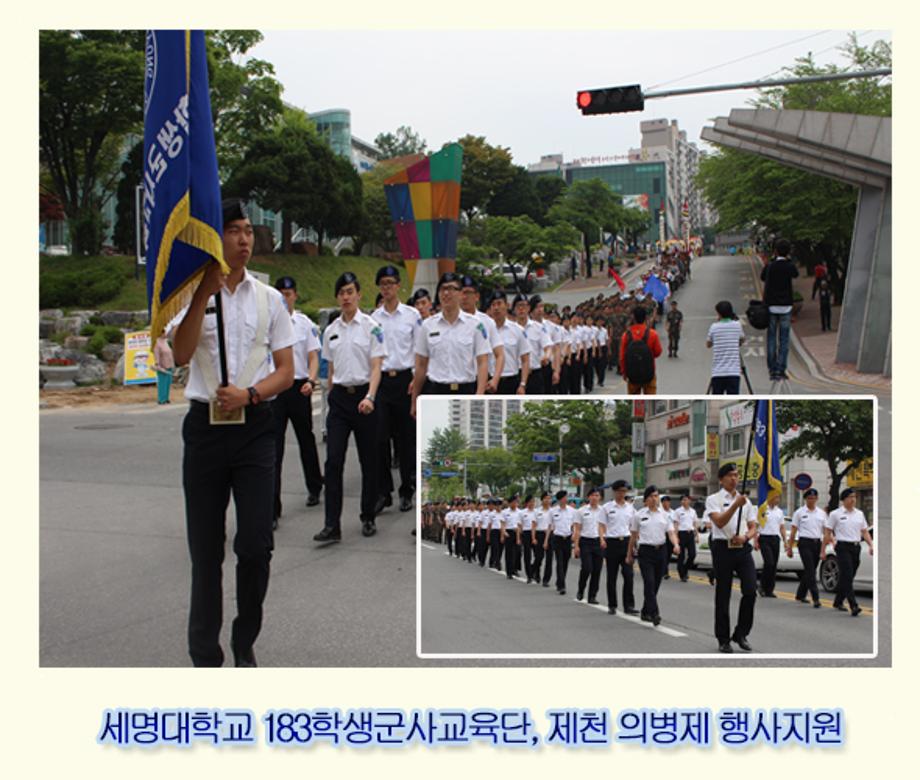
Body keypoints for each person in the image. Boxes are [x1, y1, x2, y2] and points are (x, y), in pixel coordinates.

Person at [170, 197, 295, 667]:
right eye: (234, 230)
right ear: (213, 237)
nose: (244, 239)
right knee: (205, 549)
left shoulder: (269, 300)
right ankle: (205, 653)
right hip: (204, 430)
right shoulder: (189, 294)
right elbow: (181, 356)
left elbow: (286, 370)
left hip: (255, 427)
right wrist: (203, 293)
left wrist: (252, 395)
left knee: (256, 544)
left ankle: (245, 639)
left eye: (248, 230)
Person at [313, 272, 387, 545]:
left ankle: (367, 515)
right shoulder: (330, 331)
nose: (346, 297)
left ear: (359, 295)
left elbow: (377, 366)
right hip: (340, 401)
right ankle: (331, 524)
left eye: (350, 292)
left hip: (365, 399)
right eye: (341, 292)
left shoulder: (372, 327)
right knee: (333, 462)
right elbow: (331, 370)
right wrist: (331, 397)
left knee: (369, 461)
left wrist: (370, 396)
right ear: (338, 297)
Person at [270, 276, 323, 528]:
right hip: (275, 389)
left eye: (288, 293)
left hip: (299, 386)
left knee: (306, 440)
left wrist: (311, 381)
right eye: (280, 293)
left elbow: (313, 357)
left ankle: (315, 486)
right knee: (273, 447)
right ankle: (272, 506)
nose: (284, 297)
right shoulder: (267, 323)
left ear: (295, 296)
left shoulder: (304, 324)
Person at [372, 265, 422, 515]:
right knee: (380, 438)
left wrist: (416, 379)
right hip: (381, 382)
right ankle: (384, 491)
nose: (387, 288)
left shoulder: (412, 316)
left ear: (399, 285)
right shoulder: (374, 319)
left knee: (405, 440)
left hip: (405, 381)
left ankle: (406, 490)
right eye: (383, 284)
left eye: (391, 283)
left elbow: (419, 350)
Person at [704, 463, 758, 653]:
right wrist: (735, 505)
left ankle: (741, 633)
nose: (734, 479)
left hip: (742, 548)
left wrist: (746, 536)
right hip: (722, 548)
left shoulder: (746, 502)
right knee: (723, 594)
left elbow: (753, 527)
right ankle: (723, 638)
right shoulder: (713, 499)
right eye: (730, 476)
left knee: (751, 590)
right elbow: (719, 522)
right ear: (721, 479)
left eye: (736, 475)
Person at [412, 272, 491, 403]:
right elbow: (421, 365)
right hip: (436, 391)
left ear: (461, 294)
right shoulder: (428, 325)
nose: (446, 293)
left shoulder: (475, 325)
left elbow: (483, 362)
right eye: (443, 289)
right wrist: (415, 399)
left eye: (452, 289)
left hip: (466, 391)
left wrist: (480, 395)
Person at [627, 486, 679, 626]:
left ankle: (645, 611)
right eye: (651, 496)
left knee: (655, 584)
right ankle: (655, 613)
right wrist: (629, 554)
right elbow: (632, 537)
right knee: (649, 583)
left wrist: (676, 544)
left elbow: (671, 533)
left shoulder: (665, 515)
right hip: (645, 552)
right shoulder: (638, 515)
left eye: (656, 496)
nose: (654, 498)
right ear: (646, 499)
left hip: (661, 551)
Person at [824, 488, 873, 616]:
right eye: (850, 497)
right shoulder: (835, 514)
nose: (853, 499)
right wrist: (829, 545)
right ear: (844, 499)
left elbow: (865, 531)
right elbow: (828, 532)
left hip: (856, 547)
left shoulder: (859, 514)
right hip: (842, 547)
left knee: (849, 576)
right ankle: (854, 605)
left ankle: (838, 600)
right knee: (847, 573)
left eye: (855, 497)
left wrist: (871, 545)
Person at [760, 237, 799, 381]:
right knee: (783, 340)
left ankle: (772, 369)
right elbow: (796, 274)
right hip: (786, 307)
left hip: (771, 306)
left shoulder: (770, 265)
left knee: (771, 338)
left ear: (775, 251)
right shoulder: (789, 266)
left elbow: (762, 277)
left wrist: (771, 260)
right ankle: (781, 369)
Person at [602, 479, 639, 616]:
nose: (622, 494)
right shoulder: (607, 508)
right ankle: (612, 605)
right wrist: (602, 539)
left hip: (626, 543)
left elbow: (634, 527)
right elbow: (601, 525)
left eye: (624, 491)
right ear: (614, 491)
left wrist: (634, 544)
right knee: (612, 576)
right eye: (620, 491)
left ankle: (629, 605)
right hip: (612, 543)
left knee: (629, 575)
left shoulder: (631, 508)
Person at [487, 289, 531, 395]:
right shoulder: (485, 331)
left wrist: (523, 384)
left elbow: (525, 360)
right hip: (490, 381)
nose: (496, 308)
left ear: (507, 305)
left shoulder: (517, 330)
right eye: (493, 305)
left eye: (499, 304)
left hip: (511, 381)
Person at [788, 487, 826, 607]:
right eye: (809, 498)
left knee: (810, 570)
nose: (812, 500)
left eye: (814, 498)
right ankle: (816, 598)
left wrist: (827, 544)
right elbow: (793, 531)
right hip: (804, 543)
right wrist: (790, 547)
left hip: (817, 543)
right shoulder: (799, 513)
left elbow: (825, 530)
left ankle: (800, 594)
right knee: (810, 571)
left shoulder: (822, 513)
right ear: (805, 499)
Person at [572, 486, 607, 603]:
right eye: (592, 495)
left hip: (598, 542)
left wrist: (604, 539)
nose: (595, 498)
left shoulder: (603, 511)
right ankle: (581, 590)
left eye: (597, 495)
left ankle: (592, 596)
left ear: (600, 497)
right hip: (585, 542)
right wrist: (576, 546)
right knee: (587, 568)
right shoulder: (581, 511)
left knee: (597, 570)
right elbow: (577, 529)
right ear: (588, 497)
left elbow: (605, 527)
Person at [619, 306, 662, 395]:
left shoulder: (626, 335)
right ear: (645, 318)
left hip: (632, 374)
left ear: (633, 318)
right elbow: (658, 352)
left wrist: (624, 372)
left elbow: (622, 357)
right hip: (649, 373)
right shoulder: (652, 334)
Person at [706, 301, 745, 394]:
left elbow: (708, 344)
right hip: (734, 372)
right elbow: (742, 340)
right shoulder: (737, 325)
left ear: (719, 313)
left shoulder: (714, 327)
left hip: (718, 372)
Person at [755, 494, 786, 597]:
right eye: (776, 497)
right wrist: (755, 540)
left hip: (775, 539)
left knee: (774, 565)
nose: (777, 499)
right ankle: (762, 586)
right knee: (769, 563)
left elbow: (782, 527)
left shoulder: (779, 512)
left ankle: (769, 590)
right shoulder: (762, 509)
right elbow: (756, 526)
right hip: (764, 538)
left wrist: (785, 540)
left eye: (778, 497)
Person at [550, 490, 577, 595]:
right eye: (565, 497)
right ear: (560, 499)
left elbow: (575, 525)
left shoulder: (572, 511)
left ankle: (559, 581)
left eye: (567, 497)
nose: (566, 499)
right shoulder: (553, 511)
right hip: (557, 538)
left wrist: (574, 535)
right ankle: (562, 586)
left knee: (565, 562)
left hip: (568, 539)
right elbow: (550, 526)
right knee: (559, 562)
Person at [674, 493, 699, 583]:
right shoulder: (678, 511)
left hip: (690, 534)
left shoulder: (693, 511)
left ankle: (685, 569)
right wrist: (676, 537)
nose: (684, 501)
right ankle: (682, 574)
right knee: (681, 555)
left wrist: (697, 535)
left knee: (692, 554)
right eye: (683, 500)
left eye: (686, 499)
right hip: (681, 534)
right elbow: (676, 524)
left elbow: (695, 523)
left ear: (689, 501)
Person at [531, 491, 555, 587]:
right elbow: (533, 525)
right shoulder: (537, 511)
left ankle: (546, 580)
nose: (548, 500)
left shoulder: (553, 511)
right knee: (539, 557)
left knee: (549, 559)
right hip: (539, 535)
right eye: (546, 498)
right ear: (542, 500)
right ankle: (535, 571)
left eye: (549, 498)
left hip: (550, 535)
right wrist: (533, 538)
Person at [500, 494, 523, 580]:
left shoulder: (520, 512)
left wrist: (521, 531)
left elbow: (521, 524)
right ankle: (509, 572)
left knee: (518, 552)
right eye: (513, 502)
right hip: (508, 533)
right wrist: (503, 533)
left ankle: (515, 569)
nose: (515, 504)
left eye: (516, 502)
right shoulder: (505, 512)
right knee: (509, 553)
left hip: (517, 533)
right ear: (510, 503)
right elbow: (502, 524)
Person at [153, 334, 175, 404]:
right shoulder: (157, 343)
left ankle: (166, 398)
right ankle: (161, 399)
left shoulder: (165, 341)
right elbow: (156, 354)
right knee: (162, 383)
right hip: (162, 366)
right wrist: (157, 364)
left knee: (168, 383)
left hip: (169, 365)